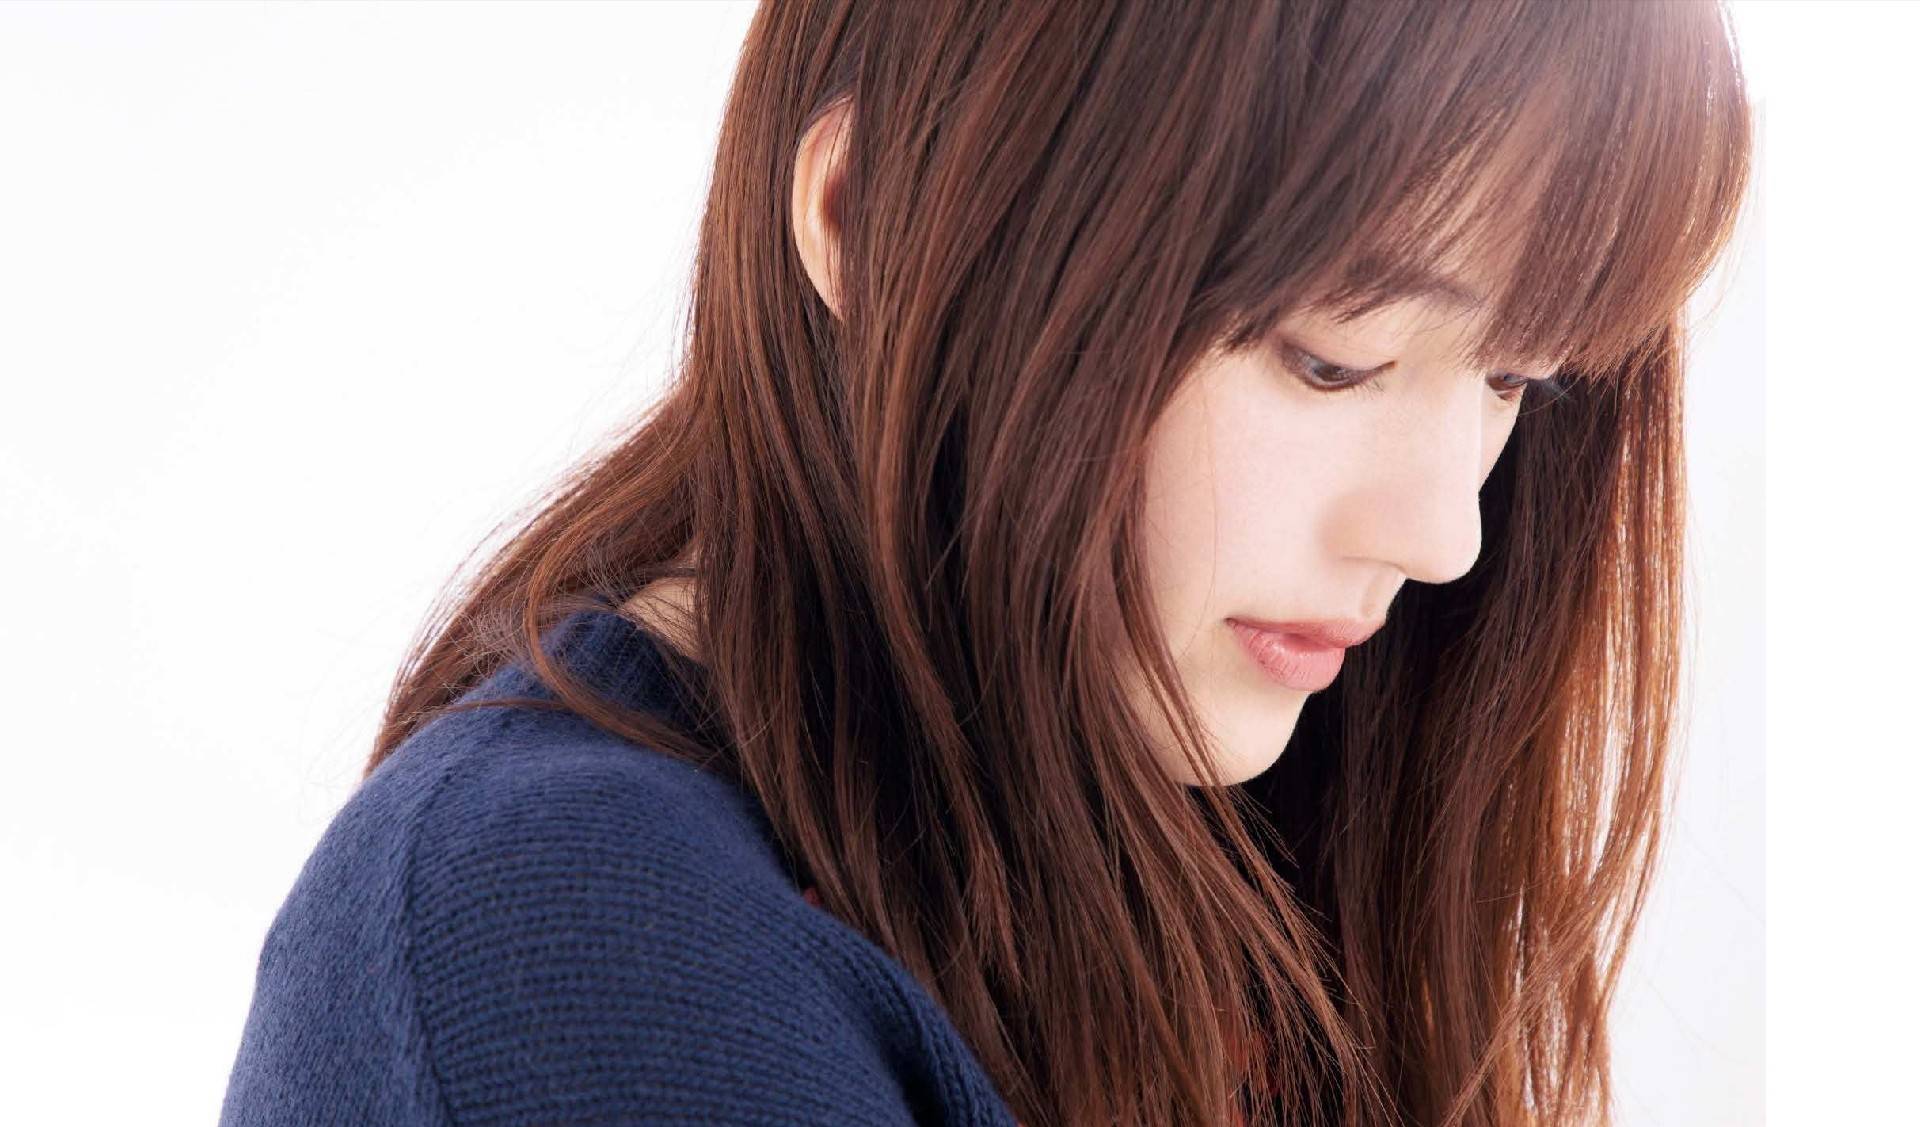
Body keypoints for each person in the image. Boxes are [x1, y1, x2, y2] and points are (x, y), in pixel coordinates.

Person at [218, 2, 1754, 1124]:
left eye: (1516, 379)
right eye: (1329, 359)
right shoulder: (572, 935)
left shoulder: (1198, 841)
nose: (1443, 534)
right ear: (870, 214)